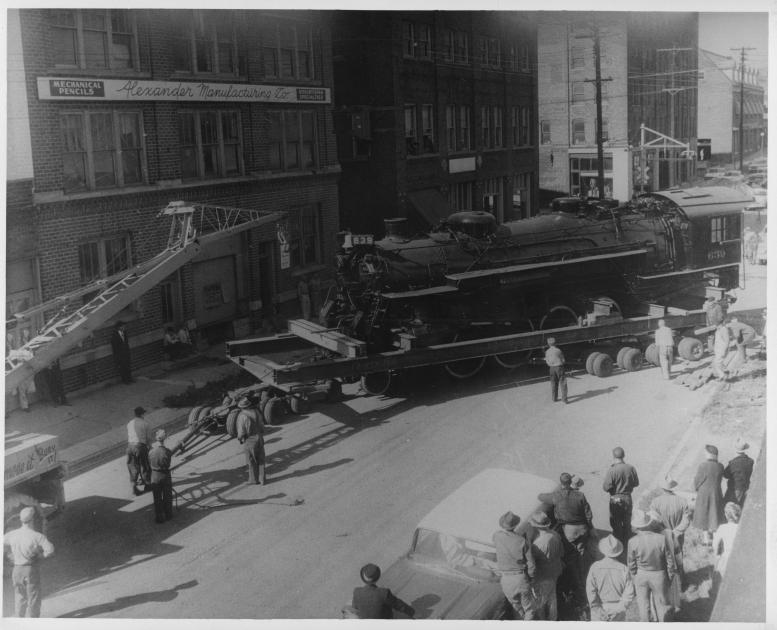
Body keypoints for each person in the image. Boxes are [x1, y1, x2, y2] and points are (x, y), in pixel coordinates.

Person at [3, 506, 55, 617]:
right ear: (32, 520)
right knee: (33, 598)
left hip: (16, 570)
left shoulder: (12, 534)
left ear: (21, 520)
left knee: (19, 597)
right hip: (30, 570)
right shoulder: (37, 536)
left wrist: (9, 555)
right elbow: (50, 550)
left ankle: (20, 621)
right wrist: (42, 555)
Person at [627, 509, 676, 622]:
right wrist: (670, 575)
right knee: (662, 604)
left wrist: (635, 576)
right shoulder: (661, 539)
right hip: (659, 575)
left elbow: (631, 564)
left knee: (643, 605)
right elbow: (670, 561)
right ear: (648, 524)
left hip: (641, 575)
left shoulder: (632, 541)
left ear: (637, 527)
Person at [649, 475, 690, 605]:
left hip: (662, 536)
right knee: (678, 559)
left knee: (664, 561)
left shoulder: (656, 502)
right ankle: (680, 584)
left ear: (662, 488)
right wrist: (676, 532)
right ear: (673, 487)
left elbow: (653, 521)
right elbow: (686, 520)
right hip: (677, 536)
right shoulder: (682, 501)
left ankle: (666, 587)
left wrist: (664, 531)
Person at [493, 511, 536, 620]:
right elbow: (531, 565)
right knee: (529, 609)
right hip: (520, 578)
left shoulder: (497, 536)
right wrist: (531, 577)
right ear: (516, 525)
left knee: (516, 607)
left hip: (506, 580)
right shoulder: (522, 541)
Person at [586, 535, 635, 622]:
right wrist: (620, 608)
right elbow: (629, 592)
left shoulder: (595, 567)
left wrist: (596, 608)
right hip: (618, 607)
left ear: (603, 551)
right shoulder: (623, 568)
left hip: (600, 607)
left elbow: (591, 590)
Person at [528, 511, 563, 620]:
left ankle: (544, 622)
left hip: (543, 575)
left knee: (541, 601)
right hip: (555, 569)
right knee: (552, 597)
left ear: (535, 526)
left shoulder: (537, 544)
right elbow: (562, 552)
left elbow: (532, 562)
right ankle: (553, 618)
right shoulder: (555, 534)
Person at [602, 446, 640, 548]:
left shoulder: (612, 470)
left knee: (616, 523)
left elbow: (606, 488)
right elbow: (636, 483)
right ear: (624, 455)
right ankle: (628, 545)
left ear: (614, 457)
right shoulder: (631, 468)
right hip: (627, 498)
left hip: (615, 499)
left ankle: (617, 546)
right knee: (627, 522)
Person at [692, 444, 725, 545]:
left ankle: (706, 539)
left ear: (709, 454)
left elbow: (697, 480)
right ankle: (715, 539)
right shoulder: (720, 466)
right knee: (715, 514)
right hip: (716, 493)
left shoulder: (703, 465)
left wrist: (696, 488)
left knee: (704, 515)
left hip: (704, 494)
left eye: (705, 452)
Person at [711, 502, 741, 592]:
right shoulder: (740, 527)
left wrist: (716, 556)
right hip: (738, 558)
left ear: (726, 515)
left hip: (726, 557)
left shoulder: (723, 528)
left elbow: (715, 544)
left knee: (720, 581)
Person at [236, 396, 266, 485]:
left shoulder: (242, 416)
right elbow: (261, 426)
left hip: (250, 440)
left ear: (242, 407)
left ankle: (254, 480)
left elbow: (241, 432)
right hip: (260, 438)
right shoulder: (256, 412)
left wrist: (240, 438)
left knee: (251, 461)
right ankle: (263, 480)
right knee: (261, 459)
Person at [148, 429, 174, 524]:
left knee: (157, 497)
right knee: (167, 496)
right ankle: (168, 515)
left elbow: (149, 462)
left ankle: (159, 517)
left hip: (154, 476)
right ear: (164, 439)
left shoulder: (151, 452)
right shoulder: (167, 451)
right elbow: (168, 463)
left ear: (156, 439)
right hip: (165, 475)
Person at [126, 406, 152, 496]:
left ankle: (134, 487)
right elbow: (148, 438)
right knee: (144, 466)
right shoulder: (145, 423)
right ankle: (148, 485)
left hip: (130, 447)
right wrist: (150, 447)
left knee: (132, 467)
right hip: (140, 446)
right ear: (142, 414)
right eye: (144, 413)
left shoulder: (129, 423)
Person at [723, 438, 754, 506]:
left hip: (734, 489)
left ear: (735, 450)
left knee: (728, 506)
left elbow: (725, 474)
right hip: (745, 488)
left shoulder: (733, 463)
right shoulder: (750, 461)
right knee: (740, 505)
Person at [544, 337, 567, 403]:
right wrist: (561, 363)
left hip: (551, 368)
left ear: (548, 344)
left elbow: (547, 361)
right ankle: (564, 399)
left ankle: (554, 398)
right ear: (555, 343)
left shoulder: (547, 352)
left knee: (553, 383)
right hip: (559, 367)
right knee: (563, 383)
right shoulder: (558, 350)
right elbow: (563, 360)